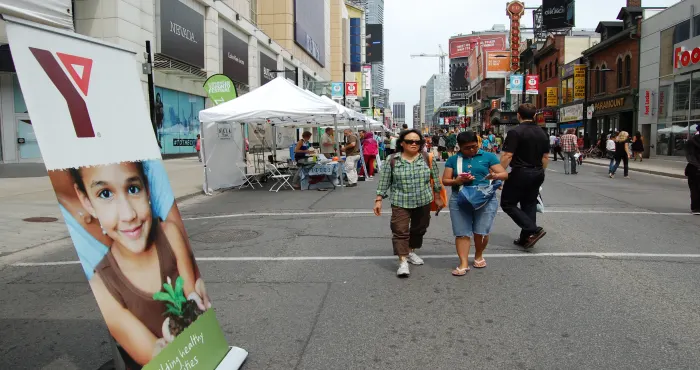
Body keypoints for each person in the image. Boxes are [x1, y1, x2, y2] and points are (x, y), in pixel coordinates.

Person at [71, 162, 210, 365]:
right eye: (105, 194)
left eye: (133, 189)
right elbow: (156, 356)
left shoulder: (170, 234)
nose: (128, 215)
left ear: (147, 188)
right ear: (87, 202)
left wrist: (199, 299)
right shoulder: (102, 287)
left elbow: (192, 296)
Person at [374, 129, 444, 277]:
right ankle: (403, 261)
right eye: (410, 141)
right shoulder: (392, 159)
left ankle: (411, 251)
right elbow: (384, 181)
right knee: (400, 230)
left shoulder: (427, 157)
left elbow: (436, 180)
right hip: (400, 201)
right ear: (402, 143)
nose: (414, 144)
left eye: (417, 141)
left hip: (423, 200)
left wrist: (438, 197)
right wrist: (378, 199)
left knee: (420, 228)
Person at [442, 131, 508, 276]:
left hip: (485, 198)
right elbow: (445, 180)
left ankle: (478, 254)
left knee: (481, 231)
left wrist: (495, 175)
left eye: (474, 146)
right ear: (459, 147)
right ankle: (463, 263)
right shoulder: (453, 160)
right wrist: (457, 181)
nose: (471, 150)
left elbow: (504, 174)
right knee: (461, 232)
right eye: (467, 148)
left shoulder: (488, 156)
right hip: (460, 198)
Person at [499, 103, 549, 249]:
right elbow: (546, 157)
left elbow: (508, 155)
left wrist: (498, 171)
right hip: (538, 172)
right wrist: (541, 172)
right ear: (534, 115)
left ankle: (533, 229)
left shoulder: (515, 132)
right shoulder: (542, 132)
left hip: (520, 172)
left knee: (508, 203)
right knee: (529, 204)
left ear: (518, 115)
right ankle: (526, 238)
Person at [686, 126, 700, 215]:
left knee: (694, 188)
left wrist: (697, 165)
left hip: (694, 168)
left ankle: (696, 207)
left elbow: (690, 156)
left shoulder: (691, 141)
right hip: (695, 167)